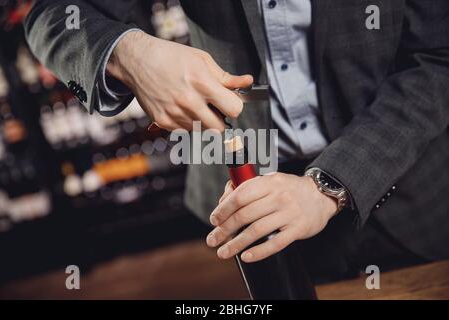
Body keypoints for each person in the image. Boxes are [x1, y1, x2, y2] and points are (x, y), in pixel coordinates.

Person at [25, 0, 449, 281]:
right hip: (245, 199)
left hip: (412, 193)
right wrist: (128, 53)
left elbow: (438, 57)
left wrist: (328, 186)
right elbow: (53, 14)